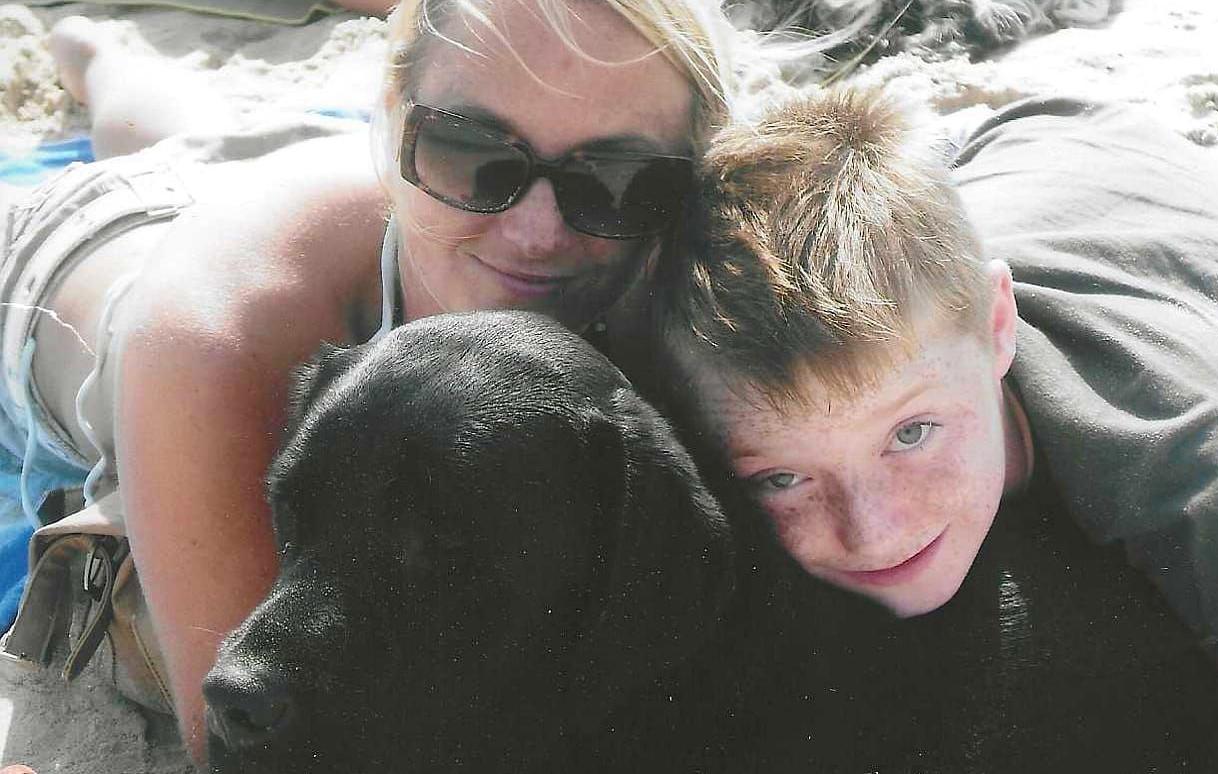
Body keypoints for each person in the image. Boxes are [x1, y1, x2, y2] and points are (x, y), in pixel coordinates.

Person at [0, 0, 740, 762]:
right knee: (128, 133)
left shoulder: (709, 267)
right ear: (392, 119)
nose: (536, 233)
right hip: (86, 259)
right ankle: (88, 46)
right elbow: (241, 731)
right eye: (467, 145)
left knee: (175, 127)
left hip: (324, 187)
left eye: (619, 177)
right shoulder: (217, 342)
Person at [653, 82, 1218, 771]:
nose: (873, 531)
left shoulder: (1197, 457)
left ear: (1000, 326)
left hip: (1192, 214)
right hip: (1022, 151)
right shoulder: (920, 347)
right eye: (784, 478)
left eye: (911, 434)